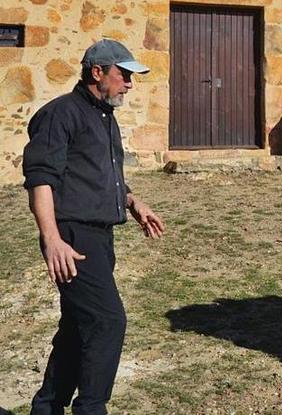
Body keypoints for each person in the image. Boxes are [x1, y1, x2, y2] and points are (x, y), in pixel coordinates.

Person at [22, 39, 165, 415]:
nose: (130, 84)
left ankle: (47, 407)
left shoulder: (105, 117)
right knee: (107, 321)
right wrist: (52, 240)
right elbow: (41, 180)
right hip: (72, 237)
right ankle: (91, 408)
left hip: (99, 236)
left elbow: (102, 175)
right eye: (124, 75)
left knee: (78, 326)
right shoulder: (60, 114)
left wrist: (133, 202)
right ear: (97, 72)